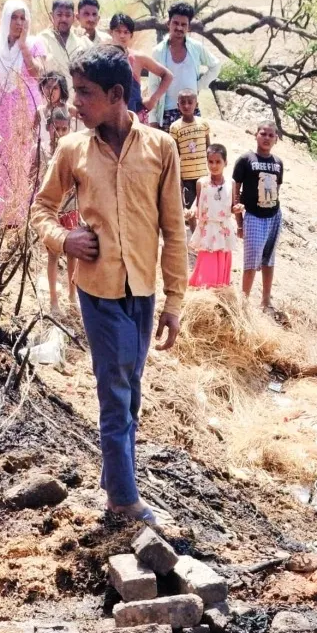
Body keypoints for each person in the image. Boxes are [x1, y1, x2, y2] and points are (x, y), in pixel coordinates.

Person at [31, 45, 188, 525]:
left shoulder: (161, 148)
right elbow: (42, 209)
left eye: (85, 93)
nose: (74, 103)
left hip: (142, 289)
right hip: (97, 290)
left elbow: (174, 229)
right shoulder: (72, 149)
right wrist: (64, 239)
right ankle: (122, 497)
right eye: (74, 92)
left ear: (117, 94)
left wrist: (174, 300)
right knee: (116, 390)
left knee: (131, 387)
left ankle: (113, 475)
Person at [0, 0, 47, 231]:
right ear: (6, 19)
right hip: (2, 112)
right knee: (0, 160)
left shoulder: (35, 43)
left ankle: (26, 219)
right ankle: (3, 218)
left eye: (23, 18)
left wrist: (23, 46)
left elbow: (38, 73)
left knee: (26, 160)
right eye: (14, 17)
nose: (19, 22)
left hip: (27, 111)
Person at [233, 121, 283, 310]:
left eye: (271, 135)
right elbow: (236, 191)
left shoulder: (278, 163)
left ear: (276, 139)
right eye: (263, 134)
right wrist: (239, 223)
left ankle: (266, 299)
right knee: (251, 260)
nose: (267, 138)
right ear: (256, 135)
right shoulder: (246, 159)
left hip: (273, 215)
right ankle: (243, 303)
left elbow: (277, 188)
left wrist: (274, 211)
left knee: (269, 259)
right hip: (253, 216)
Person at [148, 2, 221, 128]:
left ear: (189, 27)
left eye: (183, 24)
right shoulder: (158, 52)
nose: (179, 28)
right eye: (175, 23)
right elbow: (153, 85)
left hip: (191, 112)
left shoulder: (196, 48)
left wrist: (198, 86)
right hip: (167, 113)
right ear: (168, 23)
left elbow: (216, 65)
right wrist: (153, 118)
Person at [186, 143, 237, 289]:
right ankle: (204, 291)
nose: (214, 166)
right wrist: (191, 212)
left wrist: (237, 208)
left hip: (223, 229)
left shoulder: (230, 183)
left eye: (218, 162)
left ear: (225, 162)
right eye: (211, 161)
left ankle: (219, 291)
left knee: (221, 259)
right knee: (208, 262)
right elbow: (198, 203)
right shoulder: (201, 183)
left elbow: (232, 206)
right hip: (208, 230)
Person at [43, 106, 77, 311]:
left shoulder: (72, 151)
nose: (61, 133)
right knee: (53, 255)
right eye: (57, 128)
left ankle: (72, 296)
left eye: (65, 129)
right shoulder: (42, 151)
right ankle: (53, 299)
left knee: (73, 254)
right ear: (49, 128)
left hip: (71, 208)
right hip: (52, 211)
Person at [107, 14, 170, 119]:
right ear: (111, 32)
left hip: (135, 117)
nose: (122, 36)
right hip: (109, 117)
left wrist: (153, 100)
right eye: (118, 31)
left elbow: (168, 75)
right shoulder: (103, 58)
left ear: (131, 35)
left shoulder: (138, 58)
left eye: (126, 32)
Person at [168, 89, 210, 210]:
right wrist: (178, 177)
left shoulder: (203, 124)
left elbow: (209, 148)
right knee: (190, 209)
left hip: (203, 175)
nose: (186, 106)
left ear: (196, 104)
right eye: (183, 102)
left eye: (190, 102)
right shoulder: (175, 127)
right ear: (178, 105)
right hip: (186, 176)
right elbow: (175, 154)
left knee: (205, 207)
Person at [37, 0, 84, 79]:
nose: (64, 19)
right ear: (52, 16)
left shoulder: (81, 42)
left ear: (73, 17)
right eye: (59, 15)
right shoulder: (41, 39)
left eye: (68, 15)